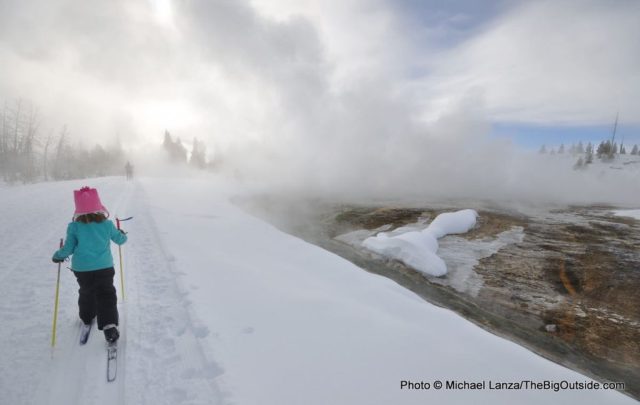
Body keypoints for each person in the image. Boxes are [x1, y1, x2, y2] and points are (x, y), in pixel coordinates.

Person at [52, 186, 127, 343]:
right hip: (104, 267)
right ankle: (109, 325)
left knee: (86, 291)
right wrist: (122, 234)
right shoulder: (106, 224)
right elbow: (120, 240)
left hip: (82, 269)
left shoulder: (74, 226)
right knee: (106, 294)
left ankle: (87, 316)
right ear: (98, 206)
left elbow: (68, 248)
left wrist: (58, 256)